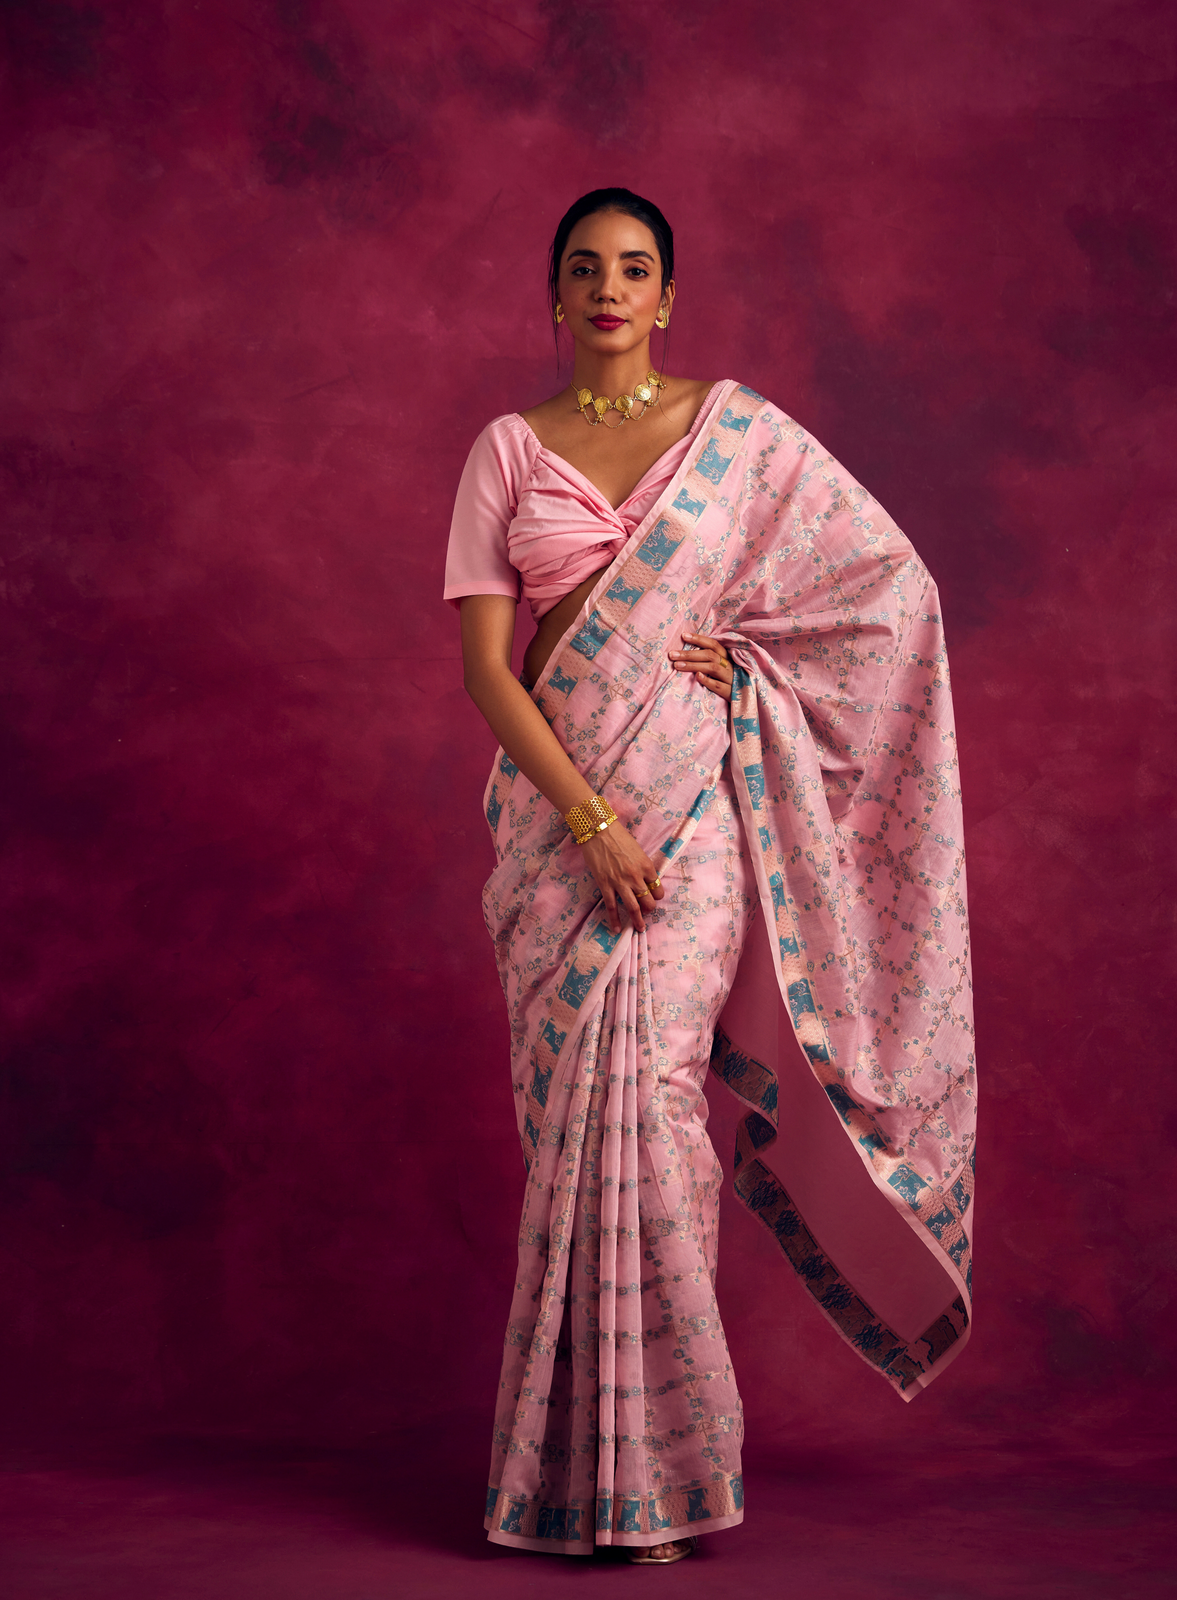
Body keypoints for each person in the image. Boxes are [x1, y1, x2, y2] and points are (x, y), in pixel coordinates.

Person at [444, 188, 976, 1565]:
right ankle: (567, 1484)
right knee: (575, 1140)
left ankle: (667, 1486)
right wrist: (586, 825)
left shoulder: (738, 439)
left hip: (692, 832)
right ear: (552, 295)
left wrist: (746, 666)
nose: (609, 288)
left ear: (667, 296)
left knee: (661, 1124)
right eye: (583, 268)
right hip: (563, 845)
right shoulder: (506, 454)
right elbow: (490, 677)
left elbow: (887, 591)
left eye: (635, 268)